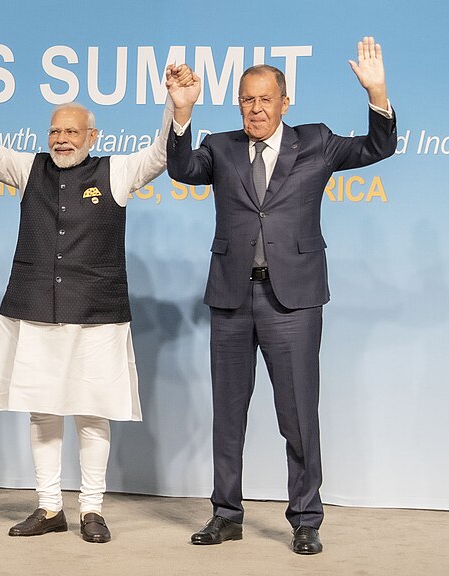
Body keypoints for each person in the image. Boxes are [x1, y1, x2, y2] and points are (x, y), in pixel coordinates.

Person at [166, 37, 395, 555]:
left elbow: (377, 147)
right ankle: (226, 514)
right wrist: (181, 114)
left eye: (265, 99)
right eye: (247, 100)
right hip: (231, 297)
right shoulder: (220, 147)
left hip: (293, 300)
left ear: (285, 102)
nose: (256, 108)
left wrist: (377, 94)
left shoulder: (316, 142)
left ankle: (306, 519)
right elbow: (182, 170)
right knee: (228, 414)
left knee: (297, 415)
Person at [0, 65, 193, 543]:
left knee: (93, 413)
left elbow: (160, 153)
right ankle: (49, 507)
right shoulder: (28, 168)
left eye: (71, 131)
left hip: (96, 316)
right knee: (42, 413)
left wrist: (177, 108)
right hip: (35, 311)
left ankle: (92, 510)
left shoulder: (117, 171)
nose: (61, 139)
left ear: (93, 136)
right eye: (55, 131)